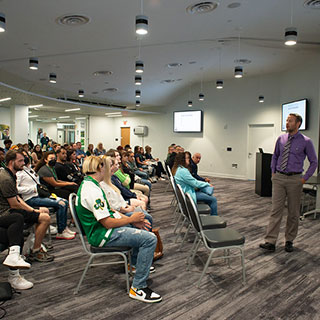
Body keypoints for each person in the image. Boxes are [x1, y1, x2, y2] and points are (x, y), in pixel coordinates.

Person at [75, 156, 162, 303]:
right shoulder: (92, 190)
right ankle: (138, 287)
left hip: (104, 230)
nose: (107, 170)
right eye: (105, 167)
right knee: (149, 239)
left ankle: (135, 266)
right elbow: (108, 222)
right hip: (102, 235)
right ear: (99, 168)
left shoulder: (92, 185)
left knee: (142, 227)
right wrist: (130, 219)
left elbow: (110, 211)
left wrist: (131, 220)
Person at [260, 113, 318, 253]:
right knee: (276, 210)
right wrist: (273, 172)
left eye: (290, 121)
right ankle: (270, 241)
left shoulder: (306, 141)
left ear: (298, 123)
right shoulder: (281, 138)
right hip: (279, 178)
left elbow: (314, 162)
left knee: (293, 212)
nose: (287, 123)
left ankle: (289, 240)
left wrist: (304, 178)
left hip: (295, 179)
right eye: (287, 120)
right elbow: (275, 156)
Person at [0, 150, 54, 262]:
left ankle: (36, 245)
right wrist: (34, 211)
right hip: (6, 212)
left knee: (44, 211)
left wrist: (33, 210)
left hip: (12, 209)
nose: (23, 163)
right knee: (45, 218)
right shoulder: (5, 178)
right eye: (20, 161)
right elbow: (14, 204)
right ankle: (36, 251)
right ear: (11, 162)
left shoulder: (11, 175)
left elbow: (17, 198)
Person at [16, 150, 75, 240]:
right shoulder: (19, 173)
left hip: (39, 195)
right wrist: (33, 189)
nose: (25, 159)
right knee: (61, 203)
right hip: (30, 198)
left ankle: (64, 228)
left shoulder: (29, 170)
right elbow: (16, 189)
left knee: (64, 202)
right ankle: (61, 231)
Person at [173, 151, 218, 216]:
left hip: (187, 192)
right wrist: (207, 184)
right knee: (213, 199)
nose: (189, 159)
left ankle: (205, 213)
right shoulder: (183, 171)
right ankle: (214, 217)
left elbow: (194, 181)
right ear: (183, 160)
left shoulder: (179, 169)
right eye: (187, 158)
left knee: (207, 193)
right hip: (189, 195)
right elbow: (195, 183)